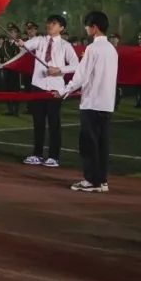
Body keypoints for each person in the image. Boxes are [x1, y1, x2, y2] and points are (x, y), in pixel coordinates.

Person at [57, 11, 118, 193]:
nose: (85, 29)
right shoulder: (112, 50)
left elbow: (81, 76)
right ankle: (102, 180)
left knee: (89, 143)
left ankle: (91, 180)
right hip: (107, 103)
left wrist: (64, 91)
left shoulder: (92, 49)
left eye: (87, 26)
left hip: (92, 102)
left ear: (94, 27)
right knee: (102, 144)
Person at [9, 14, 79, 168]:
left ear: (61, 28)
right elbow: (26, 45)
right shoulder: (40, 40)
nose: (49, 26)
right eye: (48, 23)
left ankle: (53, 157)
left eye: (54, 23)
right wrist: (21, 42)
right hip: (38, 87)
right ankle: (37, 154)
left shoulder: (65, 46)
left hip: (55, 89)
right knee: (38, 123)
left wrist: (59, 70)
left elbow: (76, 65)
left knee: (54, 124)